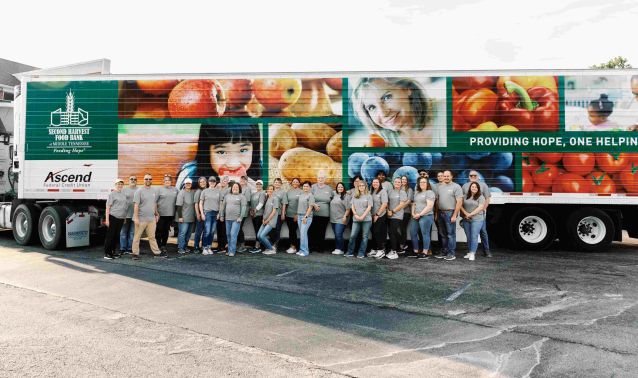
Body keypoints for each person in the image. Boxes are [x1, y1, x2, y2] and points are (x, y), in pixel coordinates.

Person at [351, 77, 442, 147]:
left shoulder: (446, 110)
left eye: (387, 97)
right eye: (372, 107)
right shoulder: (383, 142)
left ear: (406, 89)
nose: (384, 113)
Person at [176, 123, 261, 188]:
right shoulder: (189, 177)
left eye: (243, 150)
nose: (233, 164)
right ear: (207, 151)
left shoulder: (264, 172)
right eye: (221, 152)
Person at [132, 174, 165, 260]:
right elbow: (136, 205)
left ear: (152, 180)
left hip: (151, 219)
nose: (148, 180)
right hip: (141, 218)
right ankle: (135, 254)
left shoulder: (154, 190)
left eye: (150, 179)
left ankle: (157, 253)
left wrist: (156, 213)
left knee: (152, 237)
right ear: (143, 180)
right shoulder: (139, 191)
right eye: (146, 179)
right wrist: (136, 218)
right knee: (137, 236)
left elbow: (154, 203)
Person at [462, 170, 492, 258]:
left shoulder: (483, 185)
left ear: (478, 176)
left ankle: (486, 251)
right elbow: (462, 201)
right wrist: (464, 214)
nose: (473, 177)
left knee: (483, 232)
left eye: (475, 175)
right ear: (469, 176)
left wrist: (483, 210)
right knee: (470, 234)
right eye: (471, 175)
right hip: (467, 215)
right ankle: (470, 251)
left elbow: (487, 199)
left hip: (480, 214)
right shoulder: (464, 186)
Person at [434, 170, 463, 261]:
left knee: (451, 234)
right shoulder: (440, 187)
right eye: (444, 176)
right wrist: (436, 213)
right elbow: (437, 201)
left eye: (447, 176)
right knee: (443, 234)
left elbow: (459, 202)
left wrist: (454, 215)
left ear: (451, 177)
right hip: (440, 212)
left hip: (450, 213)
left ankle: (451, 253)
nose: (446, 177)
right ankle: (444, 251)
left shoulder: (456, 186)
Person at [219, 182, 247, 257]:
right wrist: (221, 215)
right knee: (228, 234)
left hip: (236, 220)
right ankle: (229, 250)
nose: (235, 188)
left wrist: (241, 217)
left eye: (237, 187)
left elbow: (244, 208)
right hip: (227, 219)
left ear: (239, 188)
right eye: (233, 187)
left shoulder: (242, 197)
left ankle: (232, 251)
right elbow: (223, 206)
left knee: (233, 234)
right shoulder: (227, 196)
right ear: (231, 188)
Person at [411, 177, 436, 259]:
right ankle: (416, 251)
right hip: (416, 216)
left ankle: (425, 252)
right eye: (420, 182)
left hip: (426, 216)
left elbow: (429, 206)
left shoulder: (430, 192)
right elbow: (414, 204)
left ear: (427, 183)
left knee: (425, 234)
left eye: (424, 182)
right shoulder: (417, 193)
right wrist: (413, 213)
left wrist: (420, 214)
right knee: (413, 232)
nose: (422, 183)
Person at [346, 180, 372, 258]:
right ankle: (350, 252)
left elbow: (369, 207)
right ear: (358, 187)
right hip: (356, 219)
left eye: (363, 185)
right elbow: (352, 206)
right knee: (353, 235)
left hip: (366, 219)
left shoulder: (368, 195)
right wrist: (356, 215)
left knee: (364, 236)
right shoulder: (355, 195)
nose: (361, 187)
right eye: (360, 185)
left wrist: (363, 216)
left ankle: (361, 253)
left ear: (365, 186)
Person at [460, 182, 486, 262]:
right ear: (470, 188)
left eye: (475, 187)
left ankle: (472, 253)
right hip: (466, 219)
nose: (474, 188)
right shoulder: (465, 196)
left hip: (477, 219)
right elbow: (460, 205)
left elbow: (481, 207)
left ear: (478, 189)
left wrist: (470, 214)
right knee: (468, 236)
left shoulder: (481, 197)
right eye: (472, 187)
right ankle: (469, 252)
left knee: (474, 236)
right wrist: (466, 214)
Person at [310, 171, 333, 252]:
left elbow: (332, 199)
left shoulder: (329, 188)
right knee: (313, 230)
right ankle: (312, 247)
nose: (320, 179)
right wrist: (314, 204)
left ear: (325, 179)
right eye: (319, 178)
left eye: (322, 178)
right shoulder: (312, 187)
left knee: (322, 231)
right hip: (313, 213)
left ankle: (320, 247)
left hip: (325, 214)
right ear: (317, 179)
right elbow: (308, 198)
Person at [104, 178, 127, 260]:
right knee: (110, 236)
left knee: (116, 236)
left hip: (121, 218)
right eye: (118, 184)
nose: (120, 185)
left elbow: (124, 207)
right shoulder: (112, 194)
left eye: (121, 184)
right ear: (115, 185)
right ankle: (107, 253)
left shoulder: (123, 194)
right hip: (113, 217)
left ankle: (113, 252)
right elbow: (108, 207)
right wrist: (107, 219)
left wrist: (124, 218)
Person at [386, 177, 408, 260]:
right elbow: (387, 202)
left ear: (401, 183)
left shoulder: (402, 192)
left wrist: (392, 211)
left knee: (391, 232)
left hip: (397, 215)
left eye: (399, 182)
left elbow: (402, 204)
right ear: (393, 182)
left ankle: (394, 251)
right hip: (389, 214)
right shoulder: (390, 191)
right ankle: (401, 246)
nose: (397, 183)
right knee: (393, 232)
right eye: (396, 182)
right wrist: (388, 210)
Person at [155, 174, 178, 252]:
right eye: (166, 180)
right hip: (160, 214)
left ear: (171, 182)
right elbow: (154, 202)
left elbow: (179, 201)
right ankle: (158, 245)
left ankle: (164, 245)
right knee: (159, 231)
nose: (167, 182)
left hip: (170, 215)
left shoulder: (175, 190)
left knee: (166, 231)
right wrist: (156, 213)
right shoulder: (159, 190)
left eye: (169, 180)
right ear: (163, 182)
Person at [200, 176, 221, 255]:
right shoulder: (205, 191)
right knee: (207, 231)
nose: (212, 183)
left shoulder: (218, 191)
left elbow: (220, 203)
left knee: (212, 232)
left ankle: (209, 247)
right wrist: (202, 213)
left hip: (215, 213)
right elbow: (201, 203)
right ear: (208, 182)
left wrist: (219, 213)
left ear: (215, 183)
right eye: (211, 181)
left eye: (214, 181)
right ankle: (204, 248)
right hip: (207, 213)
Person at [257, 185, 280, 255]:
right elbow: (265, 211)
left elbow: (273, 212)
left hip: (271, 221)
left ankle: (271, 249)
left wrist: (267, 221)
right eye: (268, 189)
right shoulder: (267, 198)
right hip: (265, 220)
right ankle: (270, 247)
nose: (270, 190)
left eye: (271, 189)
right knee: (258, 236)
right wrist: (264, 219)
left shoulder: (275, 199)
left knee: (262, 236)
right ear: (266, 190)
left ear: (273, 190)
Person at [282, 178, 303, 254]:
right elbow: (286, 203)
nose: (295, 183)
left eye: (297, 182)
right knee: (291, 231)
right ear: (291, 183)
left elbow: (302, 204)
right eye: (293, 181)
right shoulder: (288, 192)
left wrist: (297, 214)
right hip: (289, 215)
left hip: (298, 215)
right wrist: (284, 213)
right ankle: (292, 247)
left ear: (299, 183)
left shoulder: (301, 191)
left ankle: (298, 247)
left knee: (299, 232)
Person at [370, 178, 389, 259]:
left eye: (376, 182)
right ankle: (375, 249)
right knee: (374, 233)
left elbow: (384, 204)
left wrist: (377, 214)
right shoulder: (373, 191)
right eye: (373, 182)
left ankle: (381, 250)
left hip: (380, 215)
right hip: (373, 215)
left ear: (380, 183)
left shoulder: (383, 191)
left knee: (378, 232)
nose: (375, 183)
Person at [176, 178, 196, 254]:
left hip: (191, 217)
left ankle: (185, 246)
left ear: (191, 184)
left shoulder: (192, 192)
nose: (188, 185)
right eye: (187, 183)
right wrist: (180, 217)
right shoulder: (181, 193)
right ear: (184, 184)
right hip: (183, 218)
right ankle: (180, 248)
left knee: (188, 234)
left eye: (189, 183)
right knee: (182, 233)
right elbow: (179, 206)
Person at [330, 182, 350, 255]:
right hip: (333, 218)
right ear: (336, 188)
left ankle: (340, 249)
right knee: (336, 234)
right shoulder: (334, 195)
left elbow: (348, 209)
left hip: (341, 218)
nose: (340, 188)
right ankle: (337, 248)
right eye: (339, 187)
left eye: (341, 187)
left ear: (344, 188)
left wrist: (345, 216)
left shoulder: (346, 196)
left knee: (338, 234)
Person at [119, 175, 137, 255]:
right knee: (123, 232)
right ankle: (123, 248)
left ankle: (130, 249)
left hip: (135, 216)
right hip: (125, 215)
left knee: (132, 233)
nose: (133, 180)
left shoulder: (139, 190)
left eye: (134, 179)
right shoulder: (124, 190)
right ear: (128, 181)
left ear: (136, 181)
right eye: (131, 179)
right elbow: (121, 203)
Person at [296, 181, 315, 257]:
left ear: (310, 187)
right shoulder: (301, 195)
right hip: (299, 216)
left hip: (306, 217)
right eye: (304, 186)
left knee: (303, 234)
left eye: (307, 186)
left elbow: (310, 207)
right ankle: (301, 249)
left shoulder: (311, 196)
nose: (305, 188)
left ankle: (305, 251)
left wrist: (306, 217)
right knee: (302, 234)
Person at [249, 180, 267, 253]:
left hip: (259, 215)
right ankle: (257, 245)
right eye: (257, 184)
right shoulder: (254, 194)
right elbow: (251, 204)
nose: (258, 185)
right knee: (256, 230)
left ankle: (258, 246)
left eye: (260, 184)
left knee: (258, 231)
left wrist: (254, 211)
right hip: (254, 215)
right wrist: (251, 211)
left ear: (262, 185)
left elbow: (261, 203)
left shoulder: (263, 193)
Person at [237, 175, 253, 253]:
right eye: (241, 179)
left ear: (247, 181)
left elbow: (246, 201)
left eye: (244, 179)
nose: (242, 181)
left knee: (239, 227)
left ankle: (242, 245)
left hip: (243, 211)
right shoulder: (239, 188)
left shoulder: (247, 189)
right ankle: (239, 244)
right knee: (237, 227)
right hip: (237, 211)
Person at [192, 176, 208, 253]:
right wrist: (198, 214)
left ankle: (203, 246)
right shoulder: (198, 191)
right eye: (200, 182)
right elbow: (196, 204)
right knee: (198, 231)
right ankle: (196, 246)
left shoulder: (208, 190)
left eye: (203, 181)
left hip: (206, 215)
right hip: (200, 215)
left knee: (205, 231)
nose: (202, 183)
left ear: (206, 182)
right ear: (199, 183)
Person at [215, 175, 230, 252]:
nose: (223, 182)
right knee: (219, 230)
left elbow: (223, 203)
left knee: (224, 230)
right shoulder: (219, 189)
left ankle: (224, 247)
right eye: (221, 181)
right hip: (218, 212)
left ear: (228, 182)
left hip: (224, 213)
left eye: (224, 181)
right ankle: (219, 246)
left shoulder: (228, 190)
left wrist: (220, 214)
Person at [399, 175, 413, 254]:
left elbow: (408, 201)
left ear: (407, 181)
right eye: (402, 179)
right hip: (398, 213)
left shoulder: (409, 189)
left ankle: (402, 245)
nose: (403, 181)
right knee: (398, 229)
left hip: (406, 212)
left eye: (405, 180)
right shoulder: (398, 188)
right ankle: (400, 245)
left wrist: (400, 208)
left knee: (403, 229)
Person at [270, 178, 286, 247]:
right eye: (276, 182)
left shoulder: (283, 192)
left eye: (279, 182)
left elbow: (284, 204)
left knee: (277, 230)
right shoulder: (271, 191)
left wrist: (283, 214)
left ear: (281, 184)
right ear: (274, 183)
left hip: (278, 214)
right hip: (270, 214)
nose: (277, 183)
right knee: (270, 230)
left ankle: (275, 245)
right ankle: (271, 244)